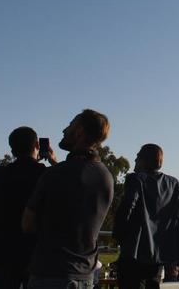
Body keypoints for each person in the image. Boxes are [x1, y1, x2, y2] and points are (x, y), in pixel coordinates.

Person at [23, 109, 114, 289]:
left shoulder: (54, 174)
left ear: (79, 132)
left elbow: (27, 224)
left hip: (50, 272)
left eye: (69, 126)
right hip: (85, 274)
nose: (64, 130)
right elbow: (79, 181)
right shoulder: (106, 177)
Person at [115, 144, 179, 289]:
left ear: (145, 160)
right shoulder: (172, 184)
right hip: (159, 254)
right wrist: (172, 231)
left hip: (135, 251)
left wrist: (120, 234)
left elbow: (128, 206)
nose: (135, 159)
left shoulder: (136, 179)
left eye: (138, 156)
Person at [0, 127, 54, 289]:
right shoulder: (46, 175)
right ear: (37, 145)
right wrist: (52, 161)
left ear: (12, 149)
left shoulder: (0, 173)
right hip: (34, 249)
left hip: (3, 247)